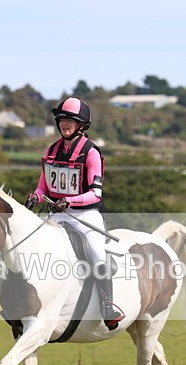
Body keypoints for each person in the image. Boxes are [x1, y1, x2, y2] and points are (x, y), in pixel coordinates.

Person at [25, 97, 125, 331]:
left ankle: (108, 305)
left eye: (71, 120)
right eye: (62, 119)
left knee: (97, 253)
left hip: (86, 215)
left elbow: (96, 194)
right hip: (58, 214)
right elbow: (44, 187)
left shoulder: (91, 153)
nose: (64, 124)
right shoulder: (52, 150)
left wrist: (68, 201)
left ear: (82, 126)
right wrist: (35, 197)